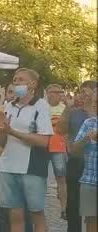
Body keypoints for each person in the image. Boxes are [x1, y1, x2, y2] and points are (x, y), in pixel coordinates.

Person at [0, 68, 53, 232]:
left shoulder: (41, 106)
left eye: (21, 80)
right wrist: (1, 128)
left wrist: (12, 132)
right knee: (15, 216)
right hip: (8, 165)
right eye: (15, 79)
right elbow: (2, 142)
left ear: (33, 84)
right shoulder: (9, 105)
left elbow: (44, 141)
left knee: (36, 215)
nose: (17, 82)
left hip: (32, 167)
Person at [59, 80, 98, 232]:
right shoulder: (74, 112)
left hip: (92, 162)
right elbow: (60, 129)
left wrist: (91, 107)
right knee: (73, 201)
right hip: (76, 161)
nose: (83, 95)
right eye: (81, 92)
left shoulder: (92, 114)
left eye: (87, 92)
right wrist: (68, 108)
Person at [70, 87, 97, 232]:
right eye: (95, 102)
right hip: (90, 178)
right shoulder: (89, 123)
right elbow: (74, 150)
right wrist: (86, 139)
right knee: (91, 219)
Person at [45, 84, 68, 218]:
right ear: (48, 93)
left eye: (60, 92)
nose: (58, 95)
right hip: (42, 146)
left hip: (59, 147)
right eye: (55, 92)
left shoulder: (64, 108)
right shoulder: (42, 107)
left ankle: (64, 208)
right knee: (40, 178)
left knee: (61, 178)